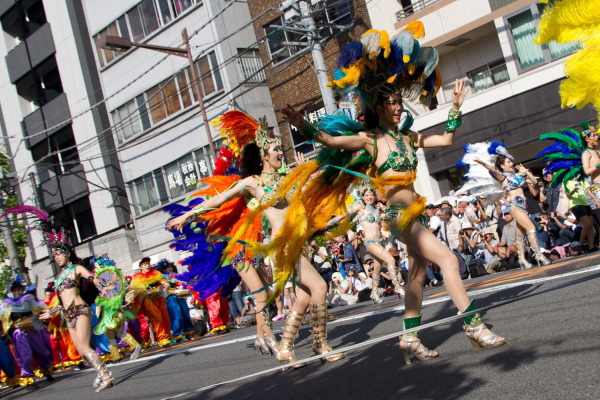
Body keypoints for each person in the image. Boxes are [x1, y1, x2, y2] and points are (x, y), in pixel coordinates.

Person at [282, 26, 504, 364]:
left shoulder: (408, 138)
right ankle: (473, 326)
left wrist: (455, 107)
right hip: (398, 217)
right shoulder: (370, 140)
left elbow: (444, 140)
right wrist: (302, 125)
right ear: (379, 107)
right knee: (447, 260)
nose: (398, 107)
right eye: (391, 102)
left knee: (416, 273)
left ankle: (410, 336)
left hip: (418, 212)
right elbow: (329, 142)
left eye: (399, 101)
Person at [167, 110, 344, 368]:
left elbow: (308, 200)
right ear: (264, 155)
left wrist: (311, 169)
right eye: (275, 149)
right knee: (318, 287)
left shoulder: (287, 178)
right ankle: (320, 342)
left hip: (299, 244)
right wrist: (190, 215)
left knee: (305, 297)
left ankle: (284, 348)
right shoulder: (253, 182)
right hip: (280, 247)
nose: (280, 152)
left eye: (280, 148)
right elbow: (219, 199)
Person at [40, 240, 114, 392]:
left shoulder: (77, 268)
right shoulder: (60, 276)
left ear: (67, 254)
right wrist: (50, 312)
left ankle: (106, 375)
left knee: (85, 347)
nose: (57, 257)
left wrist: (102, 287)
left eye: (59, 253)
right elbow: (62, 302)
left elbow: (92, 278)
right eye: (54, 255)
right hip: (67, 315)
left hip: (80, 310)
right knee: (81, 351)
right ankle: (101, 371)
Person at [475, 149, 551, 269]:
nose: (511, 164)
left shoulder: (518, 176)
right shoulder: (503, 178)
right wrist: (483, 163)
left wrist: (525, 171)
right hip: (515, 207)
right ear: (502, 165)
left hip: (523, 207)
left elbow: (535, 181)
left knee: (520, 235)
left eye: (511, 162)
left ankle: (522, 260)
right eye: (508, 162)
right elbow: (493, 170)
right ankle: (539, 255)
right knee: (530, 228)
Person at [353, 185, 405, 302]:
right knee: (390, 260)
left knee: (377, 269)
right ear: (362, 197)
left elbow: (393, 217)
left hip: (380, 242)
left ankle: (374, 293)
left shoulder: (377, 209)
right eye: (366, 195)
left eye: (371, 195)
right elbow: (346, 216)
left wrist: (383, 207)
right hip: (370, 242)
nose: (369, 197)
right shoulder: (360, 208)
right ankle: (397, 287)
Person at [1, 279, 53, 386]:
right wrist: (12, 327)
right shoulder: (6, 305)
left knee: (42, 351)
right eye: (16, 290)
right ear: (12, 291)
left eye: (20, 290)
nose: (18, 292)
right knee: (24, 354)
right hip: (19, 333)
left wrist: (41, 318)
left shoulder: (29, 301)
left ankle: (46, 370)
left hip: (33, 330)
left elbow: (43, 309)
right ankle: (28, 379)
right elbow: (4, 321)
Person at [130, 257, 173, 347]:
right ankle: (162, 338)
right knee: (156, 318)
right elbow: (135, 288)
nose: (147, 266)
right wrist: (145, 291)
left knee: (165, 316)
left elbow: (164, 281)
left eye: (148, 264)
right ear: (141, 267)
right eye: (145, 264)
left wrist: (166, 285)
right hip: (148, 300)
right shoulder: (137, 278)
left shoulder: (155, 273)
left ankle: (166, 335)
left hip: (159, 298)